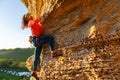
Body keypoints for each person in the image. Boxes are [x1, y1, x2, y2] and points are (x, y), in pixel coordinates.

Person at [21, 13, 61, 77]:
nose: (29, 15)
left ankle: (34, 72)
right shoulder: (30, 22)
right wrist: (43, 16)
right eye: (27, 16)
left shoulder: (33, 22)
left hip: (37, 40)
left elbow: (39, 24)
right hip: (37, 40)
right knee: (50, 38)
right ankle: (53, 53)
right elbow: (37, 20)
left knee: (37, 57)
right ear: (26, 19)